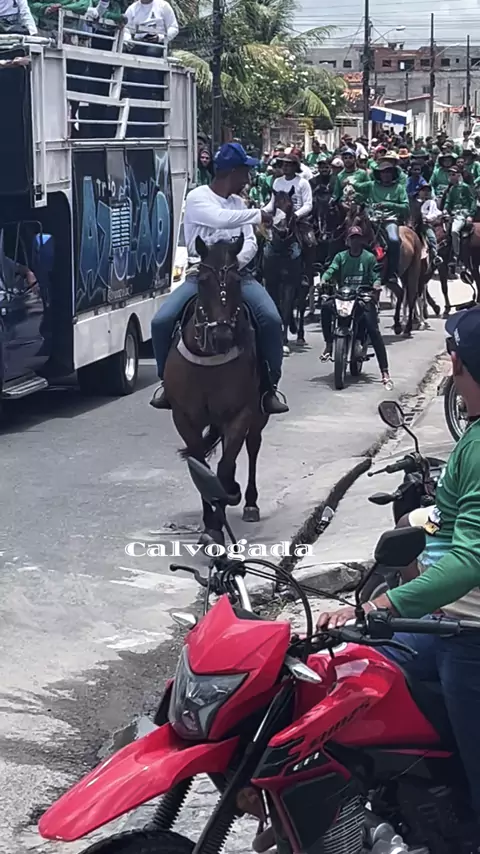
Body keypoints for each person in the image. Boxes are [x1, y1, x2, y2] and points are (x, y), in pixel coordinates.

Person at [317, 307, 480, 835]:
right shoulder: (472, 439)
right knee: (352, 669)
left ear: (457, 364)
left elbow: (470, 560)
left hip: (470, 638)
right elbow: (452, 523)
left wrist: (379, 605)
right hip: (446, 626)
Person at [150, 142, 288, 415]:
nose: (248, 178)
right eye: (245, 171)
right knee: (161, 321)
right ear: (232, 172)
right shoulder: (198, 198)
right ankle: (167, 383)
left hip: (238, 276)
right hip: (201, 276)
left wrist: (233, 265)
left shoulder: (238, 203)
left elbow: (250, 241)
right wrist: (259, 214)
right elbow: (220, 219)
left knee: (271, 320)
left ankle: (269, 388)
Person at [320, 226, 393, 389]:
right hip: (343, 296)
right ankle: (329, 344)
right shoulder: (341, 257)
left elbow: (375, 275)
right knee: (325, 307)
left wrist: (376, 284)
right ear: (348, 240)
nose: (355, 241)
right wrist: (324, 279)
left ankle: (385, 372)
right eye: (352, 238)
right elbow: (331, 270)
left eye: (357, 238)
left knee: (373, 329)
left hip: (362, 297)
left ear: (362, 240)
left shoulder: (369, 258)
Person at [357, 159, 409, 289]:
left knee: (394, 240)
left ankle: (393, 272)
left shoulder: (399, 188)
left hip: (389, 220)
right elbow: (357, 186)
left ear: (393, 174)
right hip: (371, 219)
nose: (386, 175)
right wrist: (349, 182)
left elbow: (406, 207)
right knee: (354, 235)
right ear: (379, 174)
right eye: (383, 172)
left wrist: (388, 205)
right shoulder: (371, 185)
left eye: (388, 172)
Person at [443, 166, 476, 272]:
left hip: (462, 213)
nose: (451, 177)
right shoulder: (452, 189)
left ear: (458, 175)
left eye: (453, 174)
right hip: (452, 213)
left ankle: (456, 255)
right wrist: (445, 209)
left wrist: (471, 215)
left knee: (454, 231)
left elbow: (472, 201)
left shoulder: (465, 187)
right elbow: (448, 202)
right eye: (449, 175)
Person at [263, 152, 313, 222]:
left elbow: (308, 205)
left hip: (297, 219)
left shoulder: (303, 183)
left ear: (295, 167)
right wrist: (262, 211)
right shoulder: (277, 181)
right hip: (278, 218)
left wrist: (296, 214)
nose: (285, 167)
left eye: (288, 165)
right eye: (284, 165)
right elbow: (272, 203)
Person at [416, 183, 443, 268]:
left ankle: (435, 255)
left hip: (425, 224)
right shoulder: (414, 202)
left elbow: (434, 213)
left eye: (428, 191)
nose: (426, 192)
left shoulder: (431, 202)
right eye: (424, 190)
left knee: (431, 237)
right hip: (413, 224)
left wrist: (427, 218)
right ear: (419, 192)